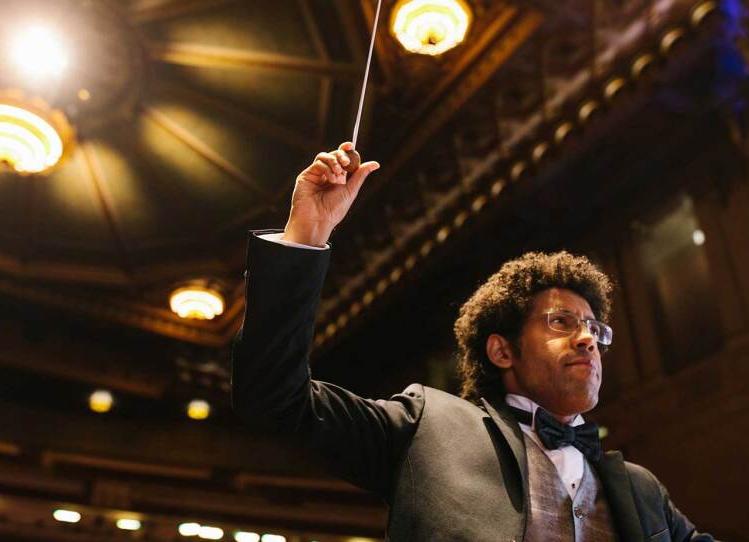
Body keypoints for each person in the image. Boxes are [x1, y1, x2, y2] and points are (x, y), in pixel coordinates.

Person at [232, 142, 716, 541]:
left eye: (594, 328)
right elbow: (275, 397)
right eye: (561, 322)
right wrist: (306, 235)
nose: (588, 339)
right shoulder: (427, 427)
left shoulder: (642, 490)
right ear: (502, 350)